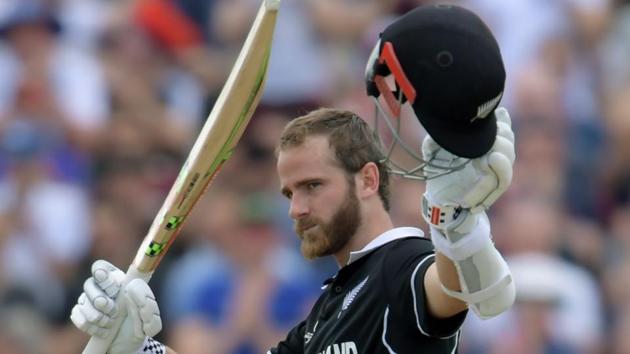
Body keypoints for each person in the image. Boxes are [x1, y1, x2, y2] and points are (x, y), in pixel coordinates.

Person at [70, 4, 517, 354]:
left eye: (313, 186)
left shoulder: (402, 265)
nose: (296, 209)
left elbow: (461, 289)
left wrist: (456, 222)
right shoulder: (327, 309)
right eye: (289, 192)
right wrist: (135, 346)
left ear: (366, 180)